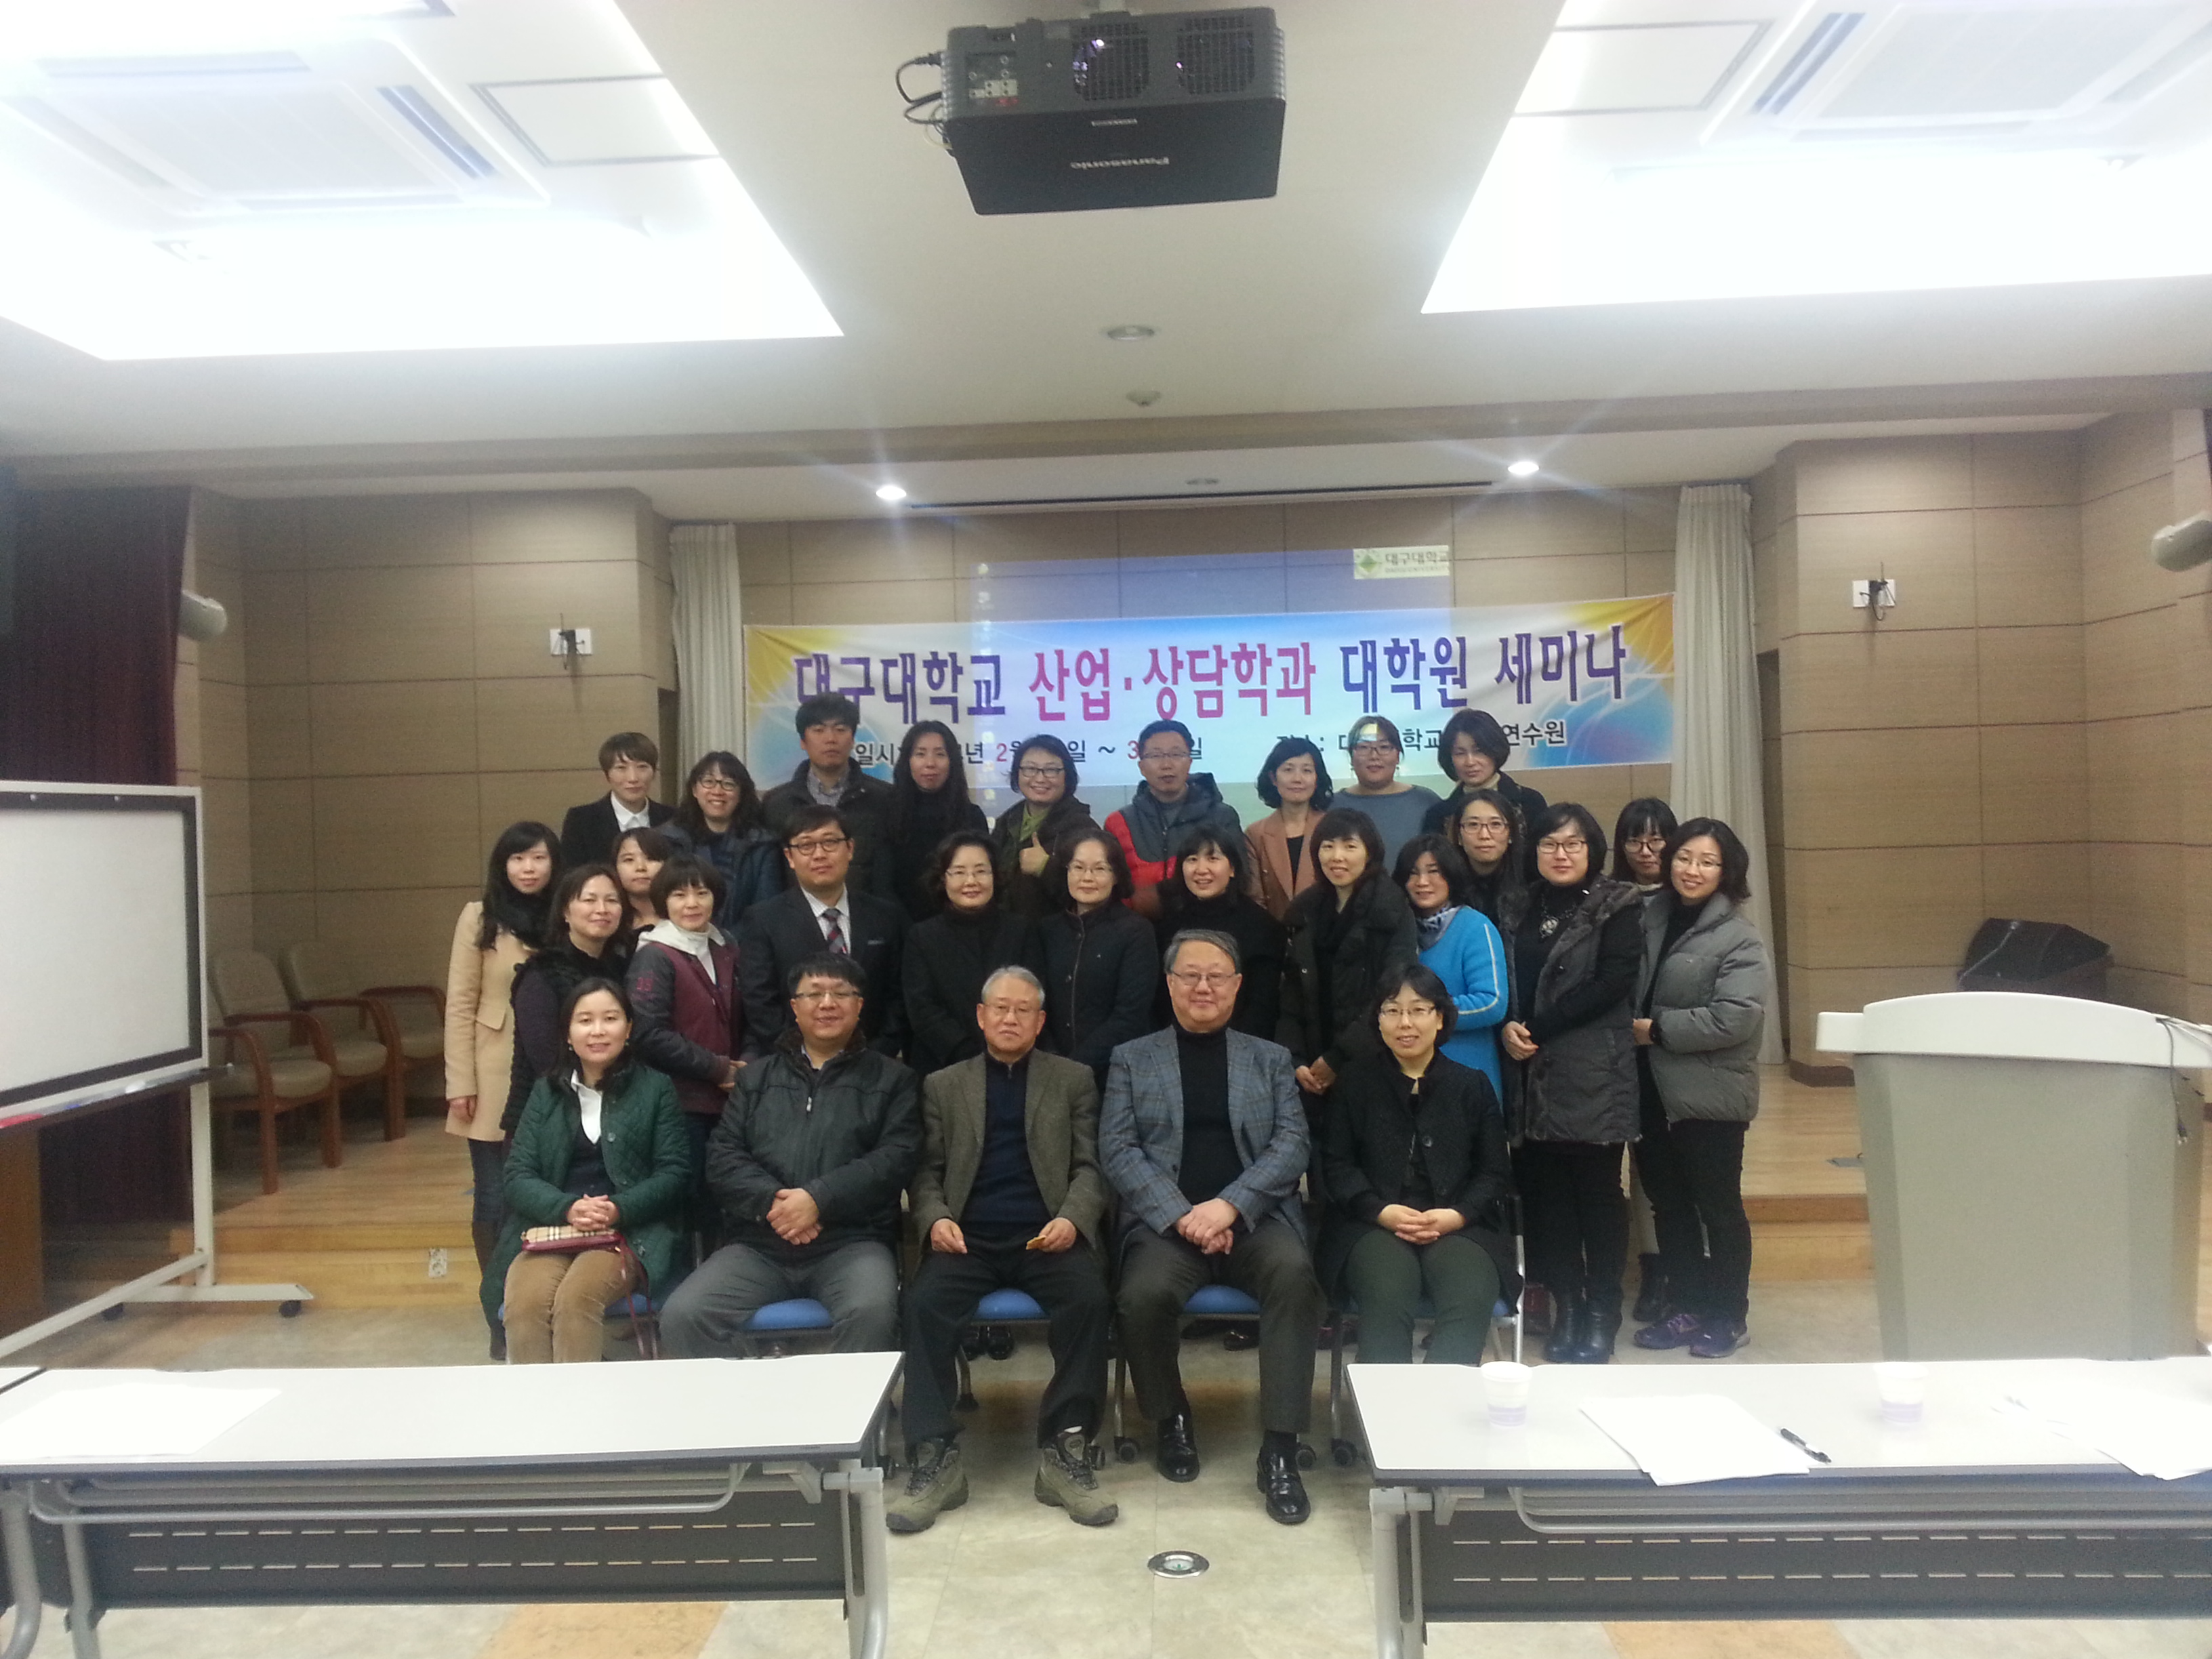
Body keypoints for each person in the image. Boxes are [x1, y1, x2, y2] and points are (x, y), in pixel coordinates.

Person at [1099, 931, 1324, 1525]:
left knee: (1294, 1276)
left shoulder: (1269, 1058)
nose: (1203, 987)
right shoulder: (1132, 1058)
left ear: (1237, 985)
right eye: (1190, 975)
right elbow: (1118, 1148)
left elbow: (1292, 1144)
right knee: (1142, 1296)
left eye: (1216, 976)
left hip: (1255, 1220)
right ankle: (1171, 1416)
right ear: (1170, 983)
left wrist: (1228, 1207)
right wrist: (1182, 1215)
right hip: (1165, 1226)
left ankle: (1280, 1447)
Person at [888, 966, 1116, 1534]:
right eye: (1000, 1008)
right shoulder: (944, 1084)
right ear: (981, 1016)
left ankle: (1065, 1449)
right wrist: (936, 1218)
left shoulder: (1073, 1080)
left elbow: (1091, 1167)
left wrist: (1072, 1218)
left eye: (1023, 1010)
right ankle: (934, 1457)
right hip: (967, 1237)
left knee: (1089, 1300)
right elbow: (926, 1171)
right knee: (923, 1305)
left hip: (1048, 1234)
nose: (1011, 1019)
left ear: (1040, 1022)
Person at [660, 955, 921, 1358]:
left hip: (852, 1243)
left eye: (840, 994)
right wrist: (775, 1203)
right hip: (760, 1244)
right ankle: (737, 1400)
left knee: (871, 1313)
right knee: (684, 1314)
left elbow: (894, 1160)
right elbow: (724, 1157)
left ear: (859, 1006)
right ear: (795, 1007)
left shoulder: (894, 1080)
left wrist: (818, 1200)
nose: (827, 1003)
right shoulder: (755, 1078)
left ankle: (850, 1403)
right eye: (814, 994)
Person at [1500, 803, 1642, 1366]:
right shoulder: (1519, 905)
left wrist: (1536, 1028)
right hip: (1530, 1074)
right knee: (1549, 1199)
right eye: (1550, 844)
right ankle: (1568, 1307)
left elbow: (1613, 982)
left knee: (1597, 1195)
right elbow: (1509, 979)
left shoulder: (1617, 903)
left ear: (1592, 850)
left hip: (1592, 1071)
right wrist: (1510, 1024)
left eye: (1573, 844)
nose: (1561, 854)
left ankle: (1602, 1311)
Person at [1322, 966, 1519, 1368]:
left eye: (1418, 1010)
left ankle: (1439, 1405)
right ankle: (1385, 1408)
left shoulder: (1472, 1085)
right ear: (1378, 1020)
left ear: (1440, 1018)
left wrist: (1457, 1215)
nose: (1405, 1023)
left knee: (1468, 1297)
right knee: (1387, 1294)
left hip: (1460, 1224)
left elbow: (1494, 1173)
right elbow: (1337, 1166)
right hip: (1372, 1223)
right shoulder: (1355, 1083)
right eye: (1392, 1010)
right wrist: (1380, 1210)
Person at [493, 979, 691, 1364]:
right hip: (554, 1229)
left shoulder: (656, 1089)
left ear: (628, 1029)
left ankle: (581, 1403)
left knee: (575, 1301)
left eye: (610, 1019)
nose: (598, 1031)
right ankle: (536, 1404)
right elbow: (517, 1175)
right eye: (585, 1020)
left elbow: (674, 1173)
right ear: (568, 1034)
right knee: (524, 1308)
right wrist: (567, 1208)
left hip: (626, 1233)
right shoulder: (546, 1092)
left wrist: (618, 1208)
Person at [1629, 819, 1768, 1360]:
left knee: (1719, 1209)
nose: (1693, 870)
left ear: (1726, 871)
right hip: (1648, 1088)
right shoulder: (1647, 917)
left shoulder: (1740, 937)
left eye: (1707, 862)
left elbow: (1736, 1018)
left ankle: (1729, 1315)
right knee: (1669, 1206)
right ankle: (1685, 1306)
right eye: (1685, 858)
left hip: (1710, 1095)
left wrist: (1657, 1030)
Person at [445, 820, 559, 1360]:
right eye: (518, 858)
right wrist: (459, 1082)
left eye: (538, 858)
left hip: (552, 1067)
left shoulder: (565, 912)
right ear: (503, 865)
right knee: (494, 1194)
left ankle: (540, 1306)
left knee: (547, 1188)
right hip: (491, 1073)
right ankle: (497, 1315)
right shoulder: (479, 916)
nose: (528, 868)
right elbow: (460, 1003)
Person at [1278, 808, 1418, 1147]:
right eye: (1327, 846)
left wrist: (1338, 1058)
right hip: (1311, 1065)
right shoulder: (1303, 910)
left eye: (1349, 846)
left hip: (1374, 1063)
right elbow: (1291, 994)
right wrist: (1295, 1059)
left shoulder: (1391, 909)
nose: (1337, 857)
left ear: (1370, 852)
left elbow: (1392, 991)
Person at [737, 806, 909, 1060]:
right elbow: (760, 1002)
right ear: (790, 857)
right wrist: (806, 1058)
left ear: (850, 849)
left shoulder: (886, 917)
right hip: (793, 1064)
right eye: (806, 846)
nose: (819, 855)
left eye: (830, 842)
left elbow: (899, 995)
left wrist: (875, 1054)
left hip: (873, 1062)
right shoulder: (763, 920)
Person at [624, 856, 743, 1197]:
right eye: (679, 895)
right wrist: (717, 1068)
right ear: (663, 901)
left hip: (732, 1099)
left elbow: (749, 1014)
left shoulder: (726, 945)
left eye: (701, 893)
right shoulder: (654, 955)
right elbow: (648, 1033)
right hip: (679, 1101)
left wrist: (747, 1066)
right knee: (688, 1199)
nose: (692, 903)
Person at [1608, 796, 1677, 1317]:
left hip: (1670, 1049)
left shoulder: (1688, 899)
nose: (1647, 850)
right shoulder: (1609, 899)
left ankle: (1672, 1268)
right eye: (1635, 840)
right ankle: (1649, 1267)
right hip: (1614, 1049)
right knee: (1628, 1164)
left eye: (1657, 839)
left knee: (1665, 1167)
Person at [499, 865, 630, 1141]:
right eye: (589, 900)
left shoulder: (624, 969)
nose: (602, 909)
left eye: (612, 900)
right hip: (548, 1118)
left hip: (617, 1114)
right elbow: (546, 1059)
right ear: (565, 912)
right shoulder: (541, 973)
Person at [902, 832, 1046, 1077]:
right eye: (959, 872)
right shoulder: (922, 936)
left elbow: (1034, 996)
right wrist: (967, 1052)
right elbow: (922, 1008)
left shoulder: (1021, 930)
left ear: (995, 876)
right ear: (943, 879)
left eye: (981, 871)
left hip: (1015, 1064)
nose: (971, 881)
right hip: (944, 1067)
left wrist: (1004, 1050)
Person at [1037, 828, 1160, 1086]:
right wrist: (1052, 1061)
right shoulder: (1046, 930)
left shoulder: (1136, 931)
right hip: (1049, 1073)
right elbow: (1036, 1004)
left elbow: (1130, 1016)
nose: (1087, 878)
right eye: (1078, 867)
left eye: (1100, 869)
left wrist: (1075, 1068)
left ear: (1116, 876)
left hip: (1116, 1075)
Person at [1395, 834, 1508, 1097]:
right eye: (1413, 873)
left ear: (1452, 875)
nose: (1422, 882)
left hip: (1466, 1071)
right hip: (1407, 1073)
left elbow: (1492, 1003)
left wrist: (1426, 1015)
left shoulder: (1475, 927)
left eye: (1434, 871)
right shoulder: (1398, 929)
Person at [759, 693, 896, 899]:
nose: (831, 739)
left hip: (867, 914)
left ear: (853, 739)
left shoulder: (884, 799)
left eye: (840, 730)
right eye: (819, 730)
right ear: (803, 741)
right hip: (796, 915)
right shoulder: (776, 803)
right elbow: (772, 877)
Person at [1153, 826, 1283, 1042]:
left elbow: (1262, 1007)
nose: (1201, 870)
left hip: (1242, 1045)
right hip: (1174, 1043)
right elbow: (1160, 998)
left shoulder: (1262, 927)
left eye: (1213, 859)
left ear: (1233, 868)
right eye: (1192, 860)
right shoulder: (1167, 925)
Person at [1103, 719, 1242, 901]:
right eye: (1155, 756)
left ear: (1190, 762)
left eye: (1176, 754)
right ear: (1142, 767)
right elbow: (1112, 888)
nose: (1166, 764)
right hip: (1137, 919)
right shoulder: (1119, 822)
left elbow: (1239, 881)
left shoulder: (1221, 817)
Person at [885, 720, 988, 922]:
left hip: (959, 925)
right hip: (898, 926)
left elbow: (980, 879)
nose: (930, 763)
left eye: (940, 754)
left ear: (952, 761)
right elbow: (882, 884)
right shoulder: (887, 812)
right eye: (920, 754)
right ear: (907, 761)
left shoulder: (972, 816)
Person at [668, 752, 781, 932]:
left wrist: (727, 944)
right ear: (695, 790)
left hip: (744, 944)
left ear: (741, 793)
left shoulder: (762, 845)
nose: (717, 791)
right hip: (681, 940)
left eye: (728, 784)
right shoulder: (670, 840)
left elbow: (766, 911)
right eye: (708, 782)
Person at [989, 734, 1094, 920]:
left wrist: (1046, 868)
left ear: (1067, 776)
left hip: (1058, 934)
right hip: (1006, 932)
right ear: (1017, 773)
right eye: (1030, 769)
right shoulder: (1006, 822)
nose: (1040, 778)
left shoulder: (1083, 829)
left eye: (1051, 770)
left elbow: (1095, 893)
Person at [1245, 736, 1333, 921]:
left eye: (1307, 770)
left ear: (1317, 778)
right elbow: (1255, 899)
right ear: (1273, 778)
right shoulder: (1256, 834)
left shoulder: (1332, 828)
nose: (1297, 779)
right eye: (1288, 770)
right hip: (1272, 933)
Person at [1422, 710, 1548, 837]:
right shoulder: (1438, 815)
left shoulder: (1530, 802)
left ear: (1495, 751)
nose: (1470, 762)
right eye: (1460, 753)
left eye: (1479, 751)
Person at [559, 732, 676, 868]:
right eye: (621, 768)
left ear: (654, 772)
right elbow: (573, 874)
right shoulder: (582, 820)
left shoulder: (672, 818)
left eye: (642, 767)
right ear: (607, 774)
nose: (633, 778)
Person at [1338, 715, 1441, 867]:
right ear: (1351, 757)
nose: (1374, 756)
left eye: (1384, 747)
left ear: (1398, 755)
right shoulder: (1332, 805)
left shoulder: (1426, 802)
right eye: (1364, 748)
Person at [1443, 787, 1528, 935]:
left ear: (1511, 834)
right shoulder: (1444, 882)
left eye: (1496, 825)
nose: (1484, 835)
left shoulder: (1531, 879)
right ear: (1459, 836)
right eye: (1473, 825)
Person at [613, 825, 672, 933]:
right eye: (629, 860)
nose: (640, 868)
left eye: (651, 859)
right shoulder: (610, 920)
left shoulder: (684, 915)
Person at [1610, 798, 1678, 892]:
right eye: (1634, 842)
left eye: (1655, 840)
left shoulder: (1685, 895)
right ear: (1622, 846)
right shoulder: (1607, 895)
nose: (1645, 852)